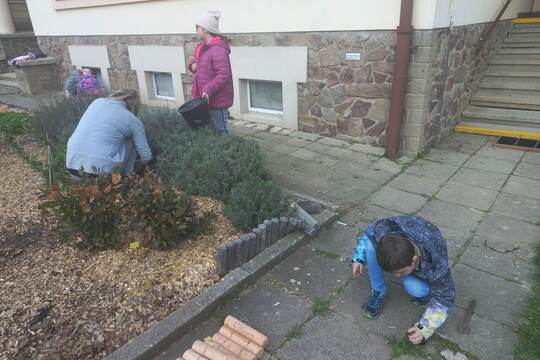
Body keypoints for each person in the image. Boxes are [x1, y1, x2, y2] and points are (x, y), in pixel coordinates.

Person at [351, 216, 455, 345]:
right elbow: (369, 233)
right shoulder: (385, 229)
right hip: (409, 236)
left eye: (402, 272)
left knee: (414, 287)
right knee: (370, 246)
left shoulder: (435, 263)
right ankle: (378, 291)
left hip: (427, 253)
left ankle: (426, 295)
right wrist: (359, 258)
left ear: (415, 259)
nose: (398, 276)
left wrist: (424, 327)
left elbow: (445, 297)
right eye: (395, 273)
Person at [66, 89, 152, 177]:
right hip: (99, 174)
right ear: (134, 106)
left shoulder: (96, 102)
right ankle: (127, 176)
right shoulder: (133, 120)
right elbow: (146, 156)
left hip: (72, 167)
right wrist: (137, 164)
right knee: (129, 140)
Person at [188, 10, 234, 133]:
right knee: (213, 132)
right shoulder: (204, 48)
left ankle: (230, 152)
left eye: (198, 27)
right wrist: (193, 65)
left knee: (222, 132)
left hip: (217, 100)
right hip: (206, 100)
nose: (196, 29)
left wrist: (207, 89)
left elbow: (223, 75)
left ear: (206, 29)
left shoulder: (218, 50)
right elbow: (198, 63)